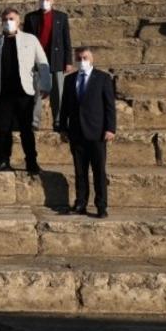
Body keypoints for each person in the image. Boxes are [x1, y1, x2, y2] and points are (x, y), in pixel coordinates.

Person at [0, 8, 50, 175]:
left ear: (18, 21)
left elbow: (42, 63)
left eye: (11, 18)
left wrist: (46, 85)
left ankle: (31, 162)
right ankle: (3, 160)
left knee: (27, 129)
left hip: (24, 92)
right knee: (4, 129)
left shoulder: (30, 39)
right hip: (3, 93)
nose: (8, 21)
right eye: (5, 19)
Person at [58, 47, 116, 218]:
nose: (82, 61)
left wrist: (110, 128)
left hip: (97, 132)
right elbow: (64, 107)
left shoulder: (103, 78)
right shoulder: (70, 80)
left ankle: (101, 205)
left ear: (92, 59)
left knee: (99, 170)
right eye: (79, 58)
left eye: (85, 58)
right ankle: (80, 202)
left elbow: (109, 106)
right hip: (76, 132)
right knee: (80, 171)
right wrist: (63, 128)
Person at [23, 0, 73, 131]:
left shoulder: (61, 17)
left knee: (58, 93)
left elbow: (66, 40)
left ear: (52, 0)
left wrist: (68, 61)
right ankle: (34, 122)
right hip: (37, 60)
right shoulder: (30, 17)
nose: (44, 1)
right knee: (35, 92)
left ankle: (58, 121)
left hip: (56, 59)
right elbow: (26, 41)